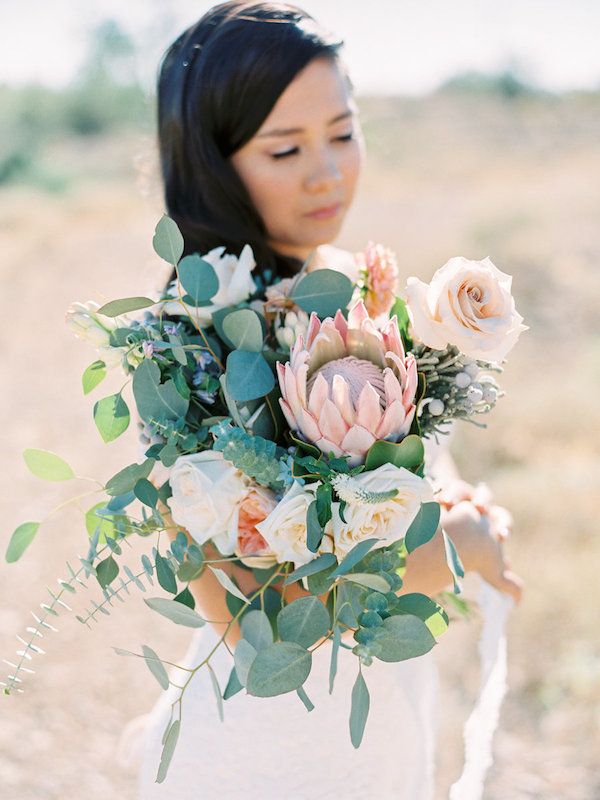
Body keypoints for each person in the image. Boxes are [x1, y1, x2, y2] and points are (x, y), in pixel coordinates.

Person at [134, 3, 522, 797]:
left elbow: (392, 490)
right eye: (285, 148)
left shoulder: (346, 288)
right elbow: (261, 624)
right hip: (266, 756)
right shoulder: (181, 346)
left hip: (378, 733)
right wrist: (455, 548)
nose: (329, 171)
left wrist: (454, 505)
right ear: (214, 159)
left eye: (343, 132)